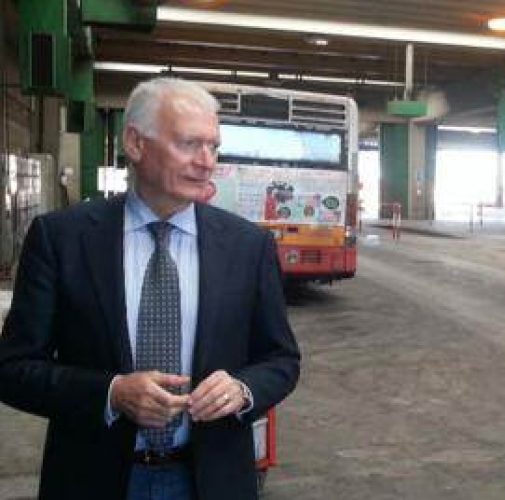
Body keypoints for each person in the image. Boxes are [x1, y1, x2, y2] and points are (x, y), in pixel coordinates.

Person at [0, 77, 301, 500]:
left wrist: (242, 389)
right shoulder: (62, 239)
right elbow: (13, 369)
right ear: (136, 144)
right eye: (189, 144)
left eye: (213, 147)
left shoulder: (248, 246)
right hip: (94, 479)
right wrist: (111, 394)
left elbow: (282, 359)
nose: (206, 162)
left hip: (211, 481)